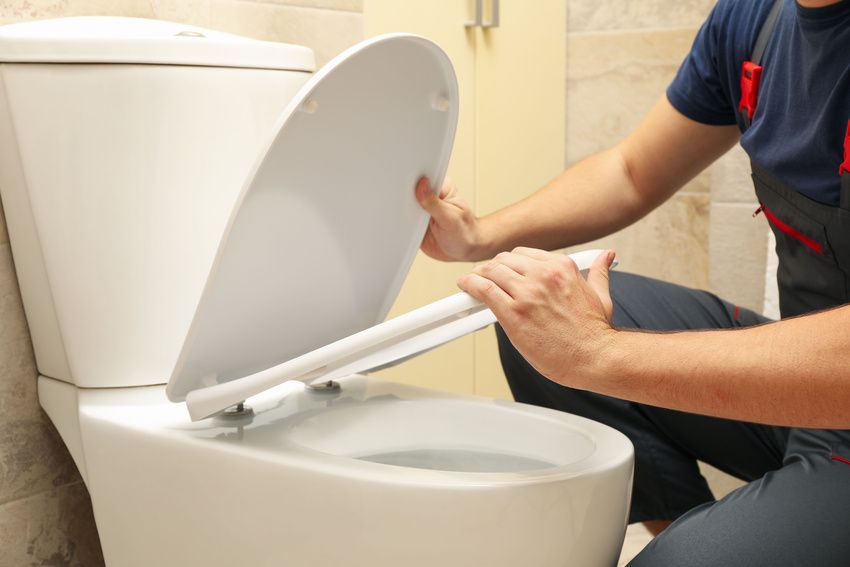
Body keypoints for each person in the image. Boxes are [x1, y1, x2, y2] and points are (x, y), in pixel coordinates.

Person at [414, 0, 850, 564]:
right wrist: (479, 235)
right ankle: (702, 528)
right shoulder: (754, 19)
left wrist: (597, 351)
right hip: (804, 392)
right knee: (532, 321)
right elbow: (630, 171)